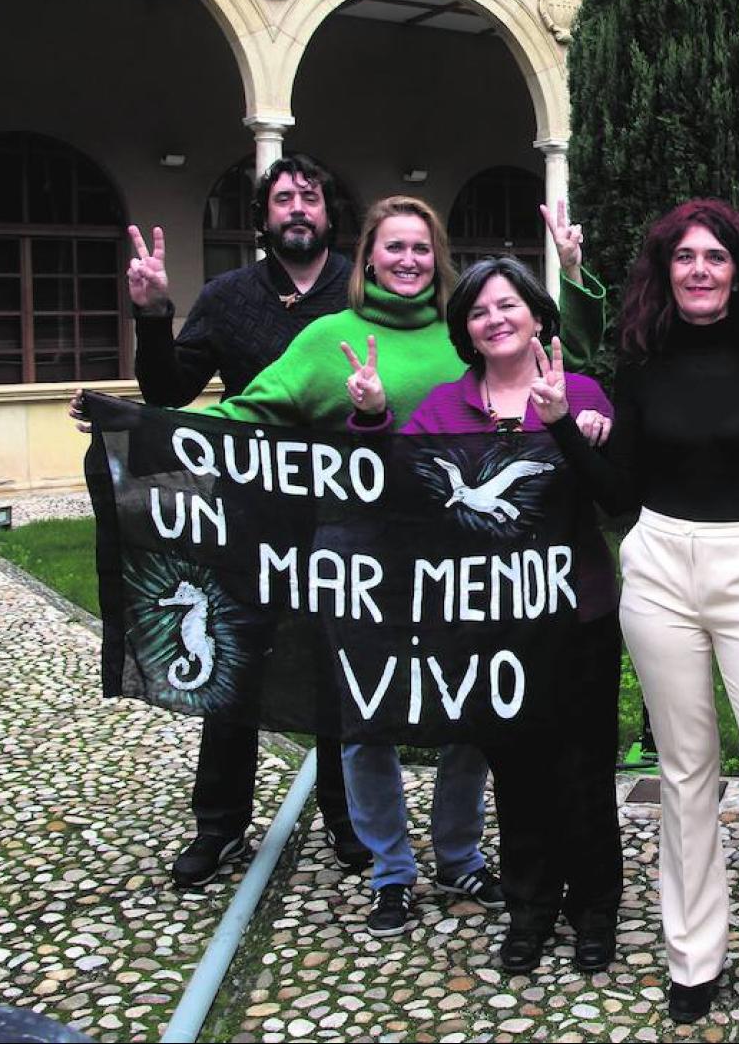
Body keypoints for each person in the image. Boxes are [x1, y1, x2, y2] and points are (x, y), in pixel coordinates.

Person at [183, 193, 607, 934]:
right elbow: (253, 411)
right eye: (392, 247)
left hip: (460, 562)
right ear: (367, 257)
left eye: (421, 247)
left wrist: (572, 274)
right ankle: (389, 868)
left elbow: (562, 351)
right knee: (366, 714)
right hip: (361, 559)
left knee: (471, 705)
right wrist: (148, 430)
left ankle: (460, 851)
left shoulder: (465, 332)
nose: (407, 260)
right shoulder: (329, 338)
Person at [539, 199, 739, 1034]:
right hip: (659, 565)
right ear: (667, 271)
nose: (700, 270)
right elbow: (620, 492)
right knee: (686, 776)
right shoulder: (643, 357)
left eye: (716, 257)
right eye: (685, 258)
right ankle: (692, 954)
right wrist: (560, 427)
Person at [353, 256, 622, 973]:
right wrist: (374, 417)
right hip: (490, 628)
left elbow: (618, 495)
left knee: (585, 771)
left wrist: (586, 428)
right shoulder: (443, 409)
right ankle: (531, 908)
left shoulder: (584, 390)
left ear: (538, 316)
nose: (495, 319)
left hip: (579, 617)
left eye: (509, 306)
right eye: (478, 312)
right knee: (518, 772)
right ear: (465, 331)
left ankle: (594, 906)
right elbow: (390, 492)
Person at [121, 153, 366, 887]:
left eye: (310, 198)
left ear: (328, 215)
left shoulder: (360, 288)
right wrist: (154, 312)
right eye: (284, 199)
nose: (298, 209)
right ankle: (219, 826)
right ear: (263, 218)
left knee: (337, 668)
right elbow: (169, 389)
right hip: (248, 515)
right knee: (233, 668)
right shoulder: (229, 296)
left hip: (339, 514)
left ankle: (349, 820)